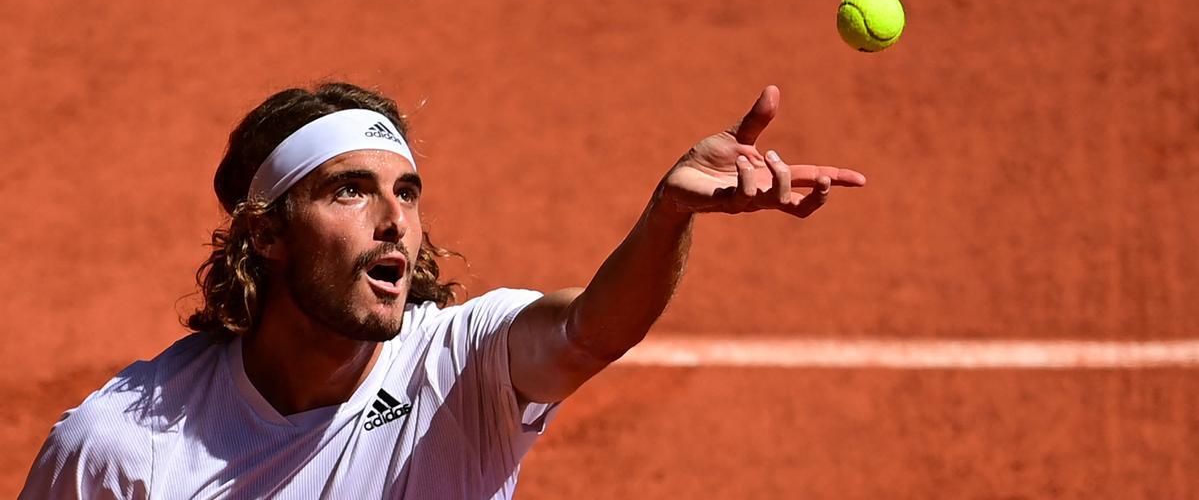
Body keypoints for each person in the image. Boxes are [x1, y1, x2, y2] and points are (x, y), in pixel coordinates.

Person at [21, 81, 865, 499]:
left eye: (408, 191)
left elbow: (589, 333)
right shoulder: (124, 451)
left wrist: (667, 214)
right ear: (267, 233)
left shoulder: (460, 368)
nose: (395, 219)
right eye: (349, 190)